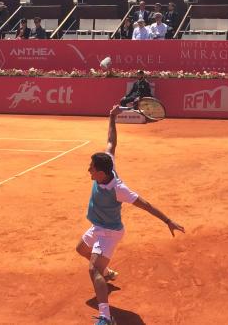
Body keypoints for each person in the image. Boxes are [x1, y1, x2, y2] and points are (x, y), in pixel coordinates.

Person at [77, 106, 184, 325]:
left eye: (92, 168)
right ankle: (107, 273)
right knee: (81, 249)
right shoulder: (108, 164)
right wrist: (111, 116)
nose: (89, 170)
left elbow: (145, 204)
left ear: (102, 172)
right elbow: (111, 141)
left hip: (110, 232)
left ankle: (106, 317)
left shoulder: (119, 189)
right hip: (98, 226)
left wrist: (167, 221)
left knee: (92, 269)